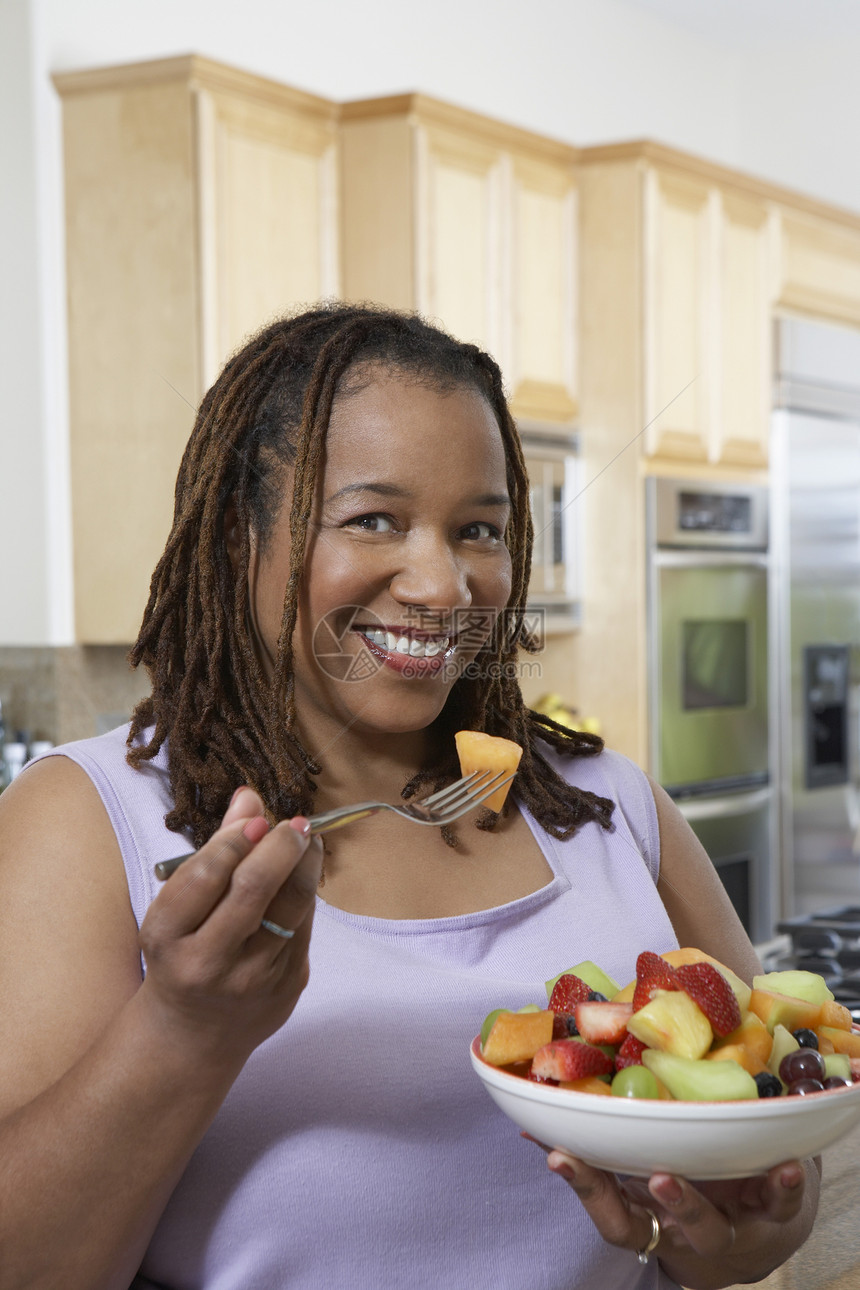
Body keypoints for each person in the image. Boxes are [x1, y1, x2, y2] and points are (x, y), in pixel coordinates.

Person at [0, 303, 818, 1290]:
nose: (441, 583)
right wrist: (184, 1029)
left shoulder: (610, 808)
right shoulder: (88, 819)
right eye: (372, 519)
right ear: (235, 534)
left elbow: (777, 1121)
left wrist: (737, 1234)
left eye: (478, 529)